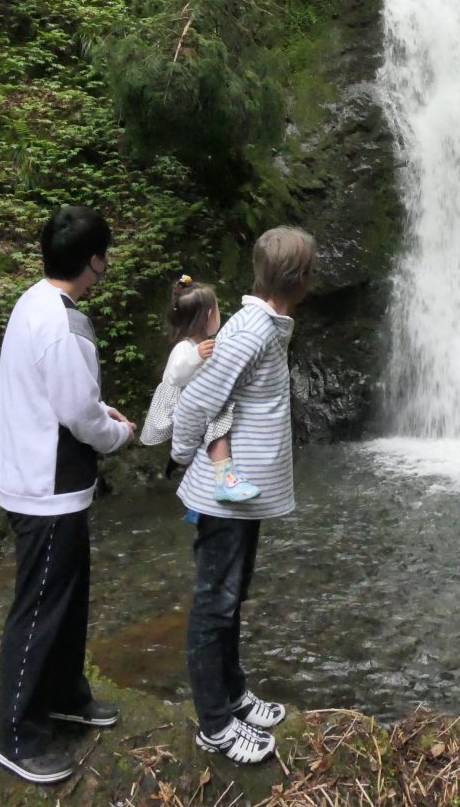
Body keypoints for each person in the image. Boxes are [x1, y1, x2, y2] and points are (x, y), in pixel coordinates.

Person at [0, 206, 135, 785]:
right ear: (94, 261)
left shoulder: (34, 301)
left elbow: (67, 398)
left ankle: (66, 694)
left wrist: (98, 414)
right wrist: (118, 432)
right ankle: (17, 736)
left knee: (69, 599)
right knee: (41, 609)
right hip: (45, 489)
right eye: (105, 257)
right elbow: (78, 412)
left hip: (39, 478)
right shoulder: (64, 323)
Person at [171, 225, 316, 765]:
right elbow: (193, 403)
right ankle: (213, 724)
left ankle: (232, 696)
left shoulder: (264, 325)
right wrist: (187, 460)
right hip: (222, 496)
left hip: (242, 495)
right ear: (299, 280)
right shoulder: (249, 331)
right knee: (214, 604)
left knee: (231, 597)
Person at [141, 276, 260, 502]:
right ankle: (225, 479)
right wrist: (196, 357)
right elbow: (175, 377)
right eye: (216, 309)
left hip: (196, 404)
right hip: (180, 407)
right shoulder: (185, 348)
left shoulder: (205, 343)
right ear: (208, 316)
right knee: (217, 424)